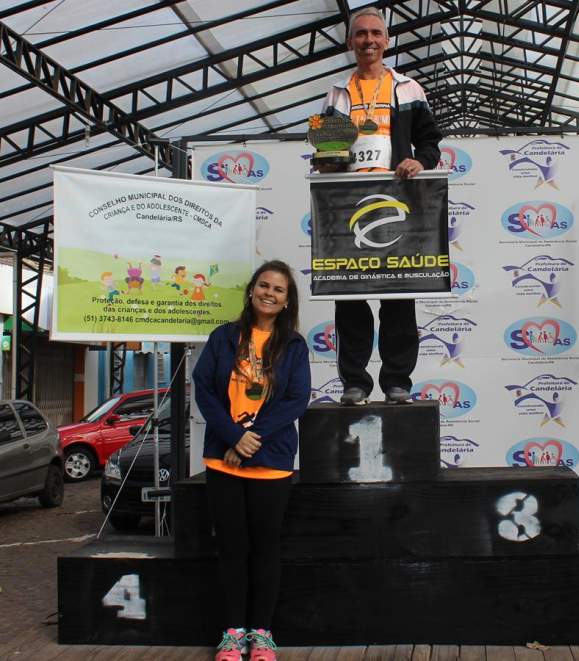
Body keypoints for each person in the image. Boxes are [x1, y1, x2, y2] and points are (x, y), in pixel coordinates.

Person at [318, 6, 442, 406]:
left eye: (375, 33)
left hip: (397, 200)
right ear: (349, 42)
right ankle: (354, 382)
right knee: (350, 297)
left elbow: (430, 143)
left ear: (386, 41)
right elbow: (328, 149)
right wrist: (326, 160)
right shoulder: (337, 92)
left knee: (399, 296)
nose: (368, 40)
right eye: (361, 34)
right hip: (348, 202)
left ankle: (397, 382)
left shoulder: (409, 88)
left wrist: (419, 162)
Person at [193, 260, 311, 661]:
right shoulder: (224, 337)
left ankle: (261, 634)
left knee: (265, 549)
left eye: (279, 289)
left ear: (286, 301)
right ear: (251, 290)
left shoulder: (293, 345)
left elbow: (296, 399)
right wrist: (233, 437)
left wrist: (250, 442)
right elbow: (204, 389)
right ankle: (232, 633)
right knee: (232, 548)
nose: (269, 293)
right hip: (223, 461)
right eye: (264, 285)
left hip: (271, 463)